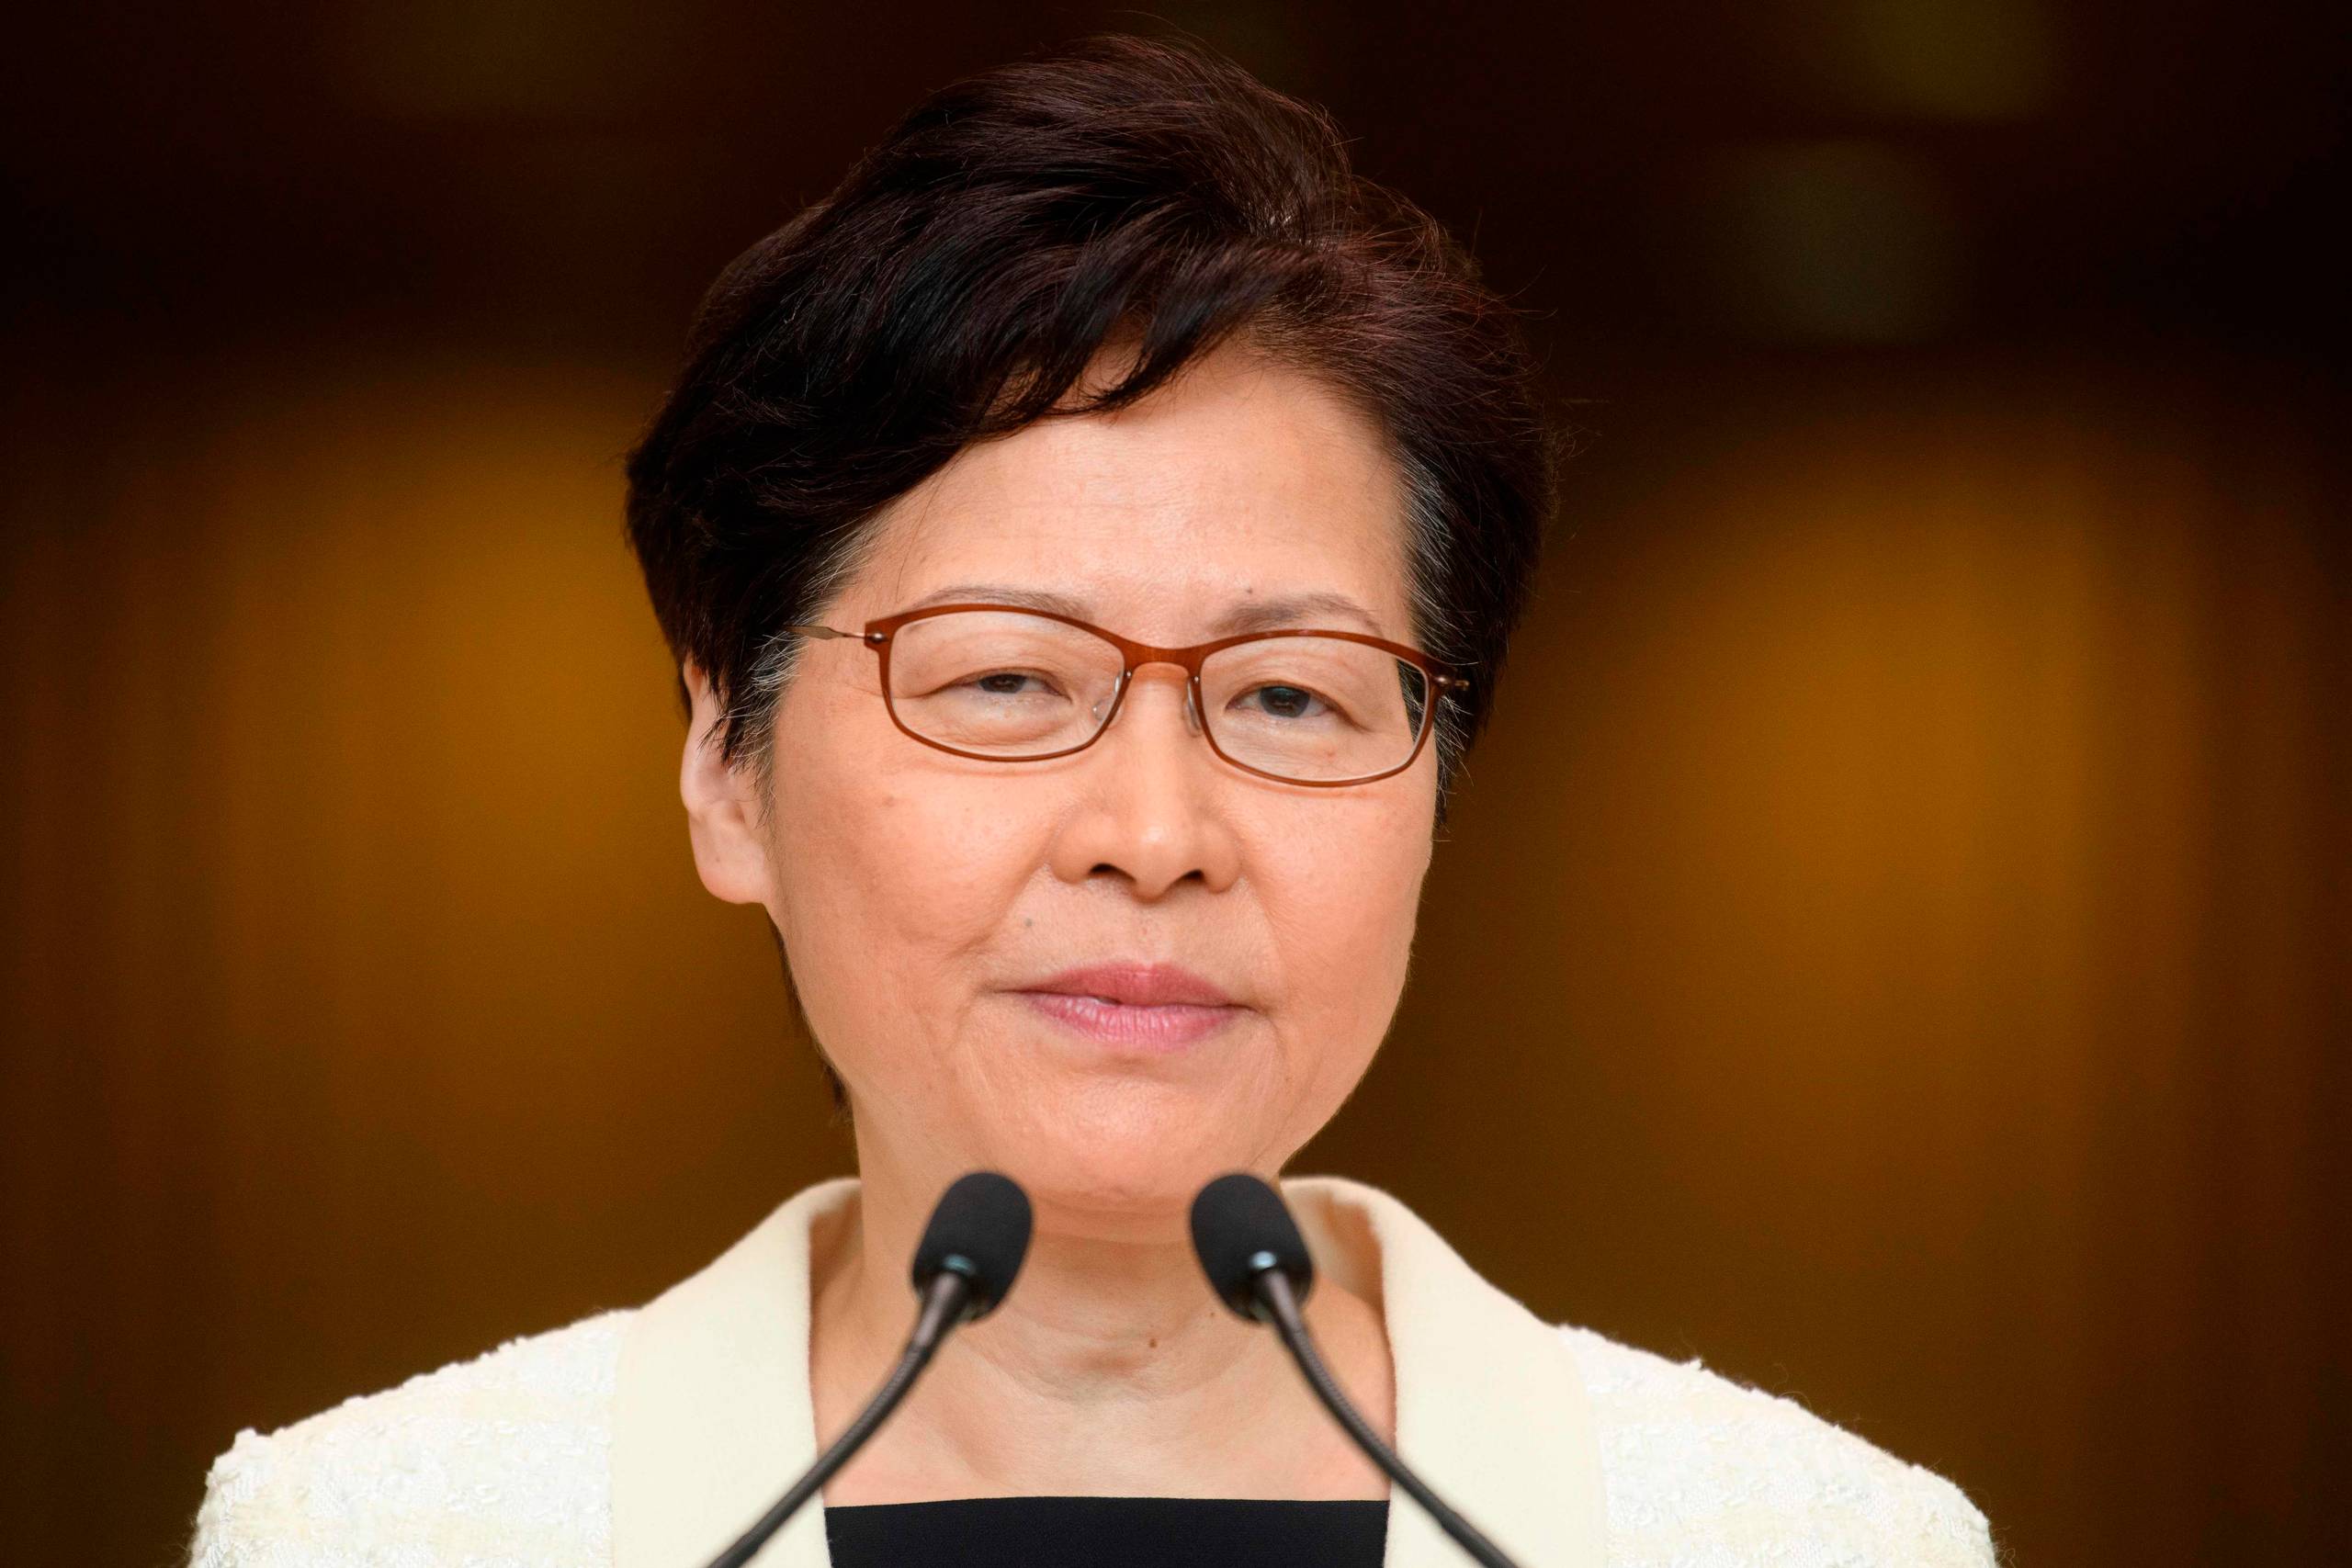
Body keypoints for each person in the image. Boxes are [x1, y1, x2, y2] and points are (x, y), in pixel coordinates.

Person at [188, 33, 1997, 1568]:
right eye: (1005, 680)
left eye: (1286, 694)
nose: (1153, 833)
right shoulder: (380, 1533)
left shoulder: (1813, 1541)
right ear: (725, 764)